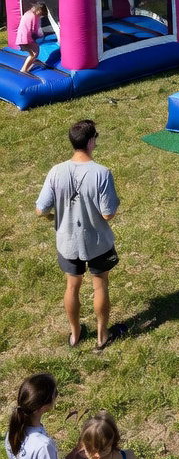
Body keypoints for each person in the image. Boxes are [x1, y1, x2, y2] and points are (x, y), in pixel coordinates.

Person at [35, 120, 120, 350]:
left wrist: (50, 218)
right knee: (100, 285)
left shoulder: (56, 171)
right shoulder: (102, 173)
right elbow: (108, 213)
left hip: (67, 242)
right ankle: (102, 337)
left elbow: (40, 209)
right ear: (91, 141)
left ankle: (75, 334)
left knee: (72, 286)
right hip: (98, 243)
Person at [5, 372, 80, 459]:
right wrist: (73, 456)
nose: (56, 395)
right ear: (42, 407)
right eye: (54, 393)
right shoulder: (42, 445)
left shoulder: (13, 432)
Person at [16, 2, 46, 75]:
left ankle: (28, 66)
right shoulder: (32, 16)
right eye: (41, 13)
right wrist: (36, 36)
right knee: (33, 54)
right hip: (25, 38)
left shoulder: (29, 13)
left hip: (22, 37)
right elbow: (32, 29)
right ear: (38, 10)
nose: (40, 15)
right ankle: (23, 69)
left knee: (35, 50)